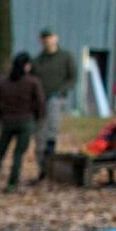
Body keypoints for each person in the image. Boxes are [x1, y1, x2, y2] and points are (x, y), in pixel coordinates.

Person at [0, 52, 45, 193]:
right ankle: (12, 184)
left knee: (0, 152)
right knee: (18, 154)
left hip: (7, 122)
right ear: (27, 66)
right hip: (26, 122)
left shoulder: (2, 82)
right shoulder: (33, 82)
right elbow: (40, 103)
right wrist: (38, 118)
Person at [31, 28, 77, 182]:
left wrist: (60, 91)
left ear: (55, 38)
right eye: (44, 38)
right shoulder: (38, 60)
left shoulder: (66, 57)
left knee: (51, 132)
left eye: (49, 37)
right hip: (40, 101)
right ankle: (42, 169)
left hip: (56, 99)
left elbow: (73, 78)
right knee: (39, 136)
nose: (47, 40)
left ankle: (51, 167)